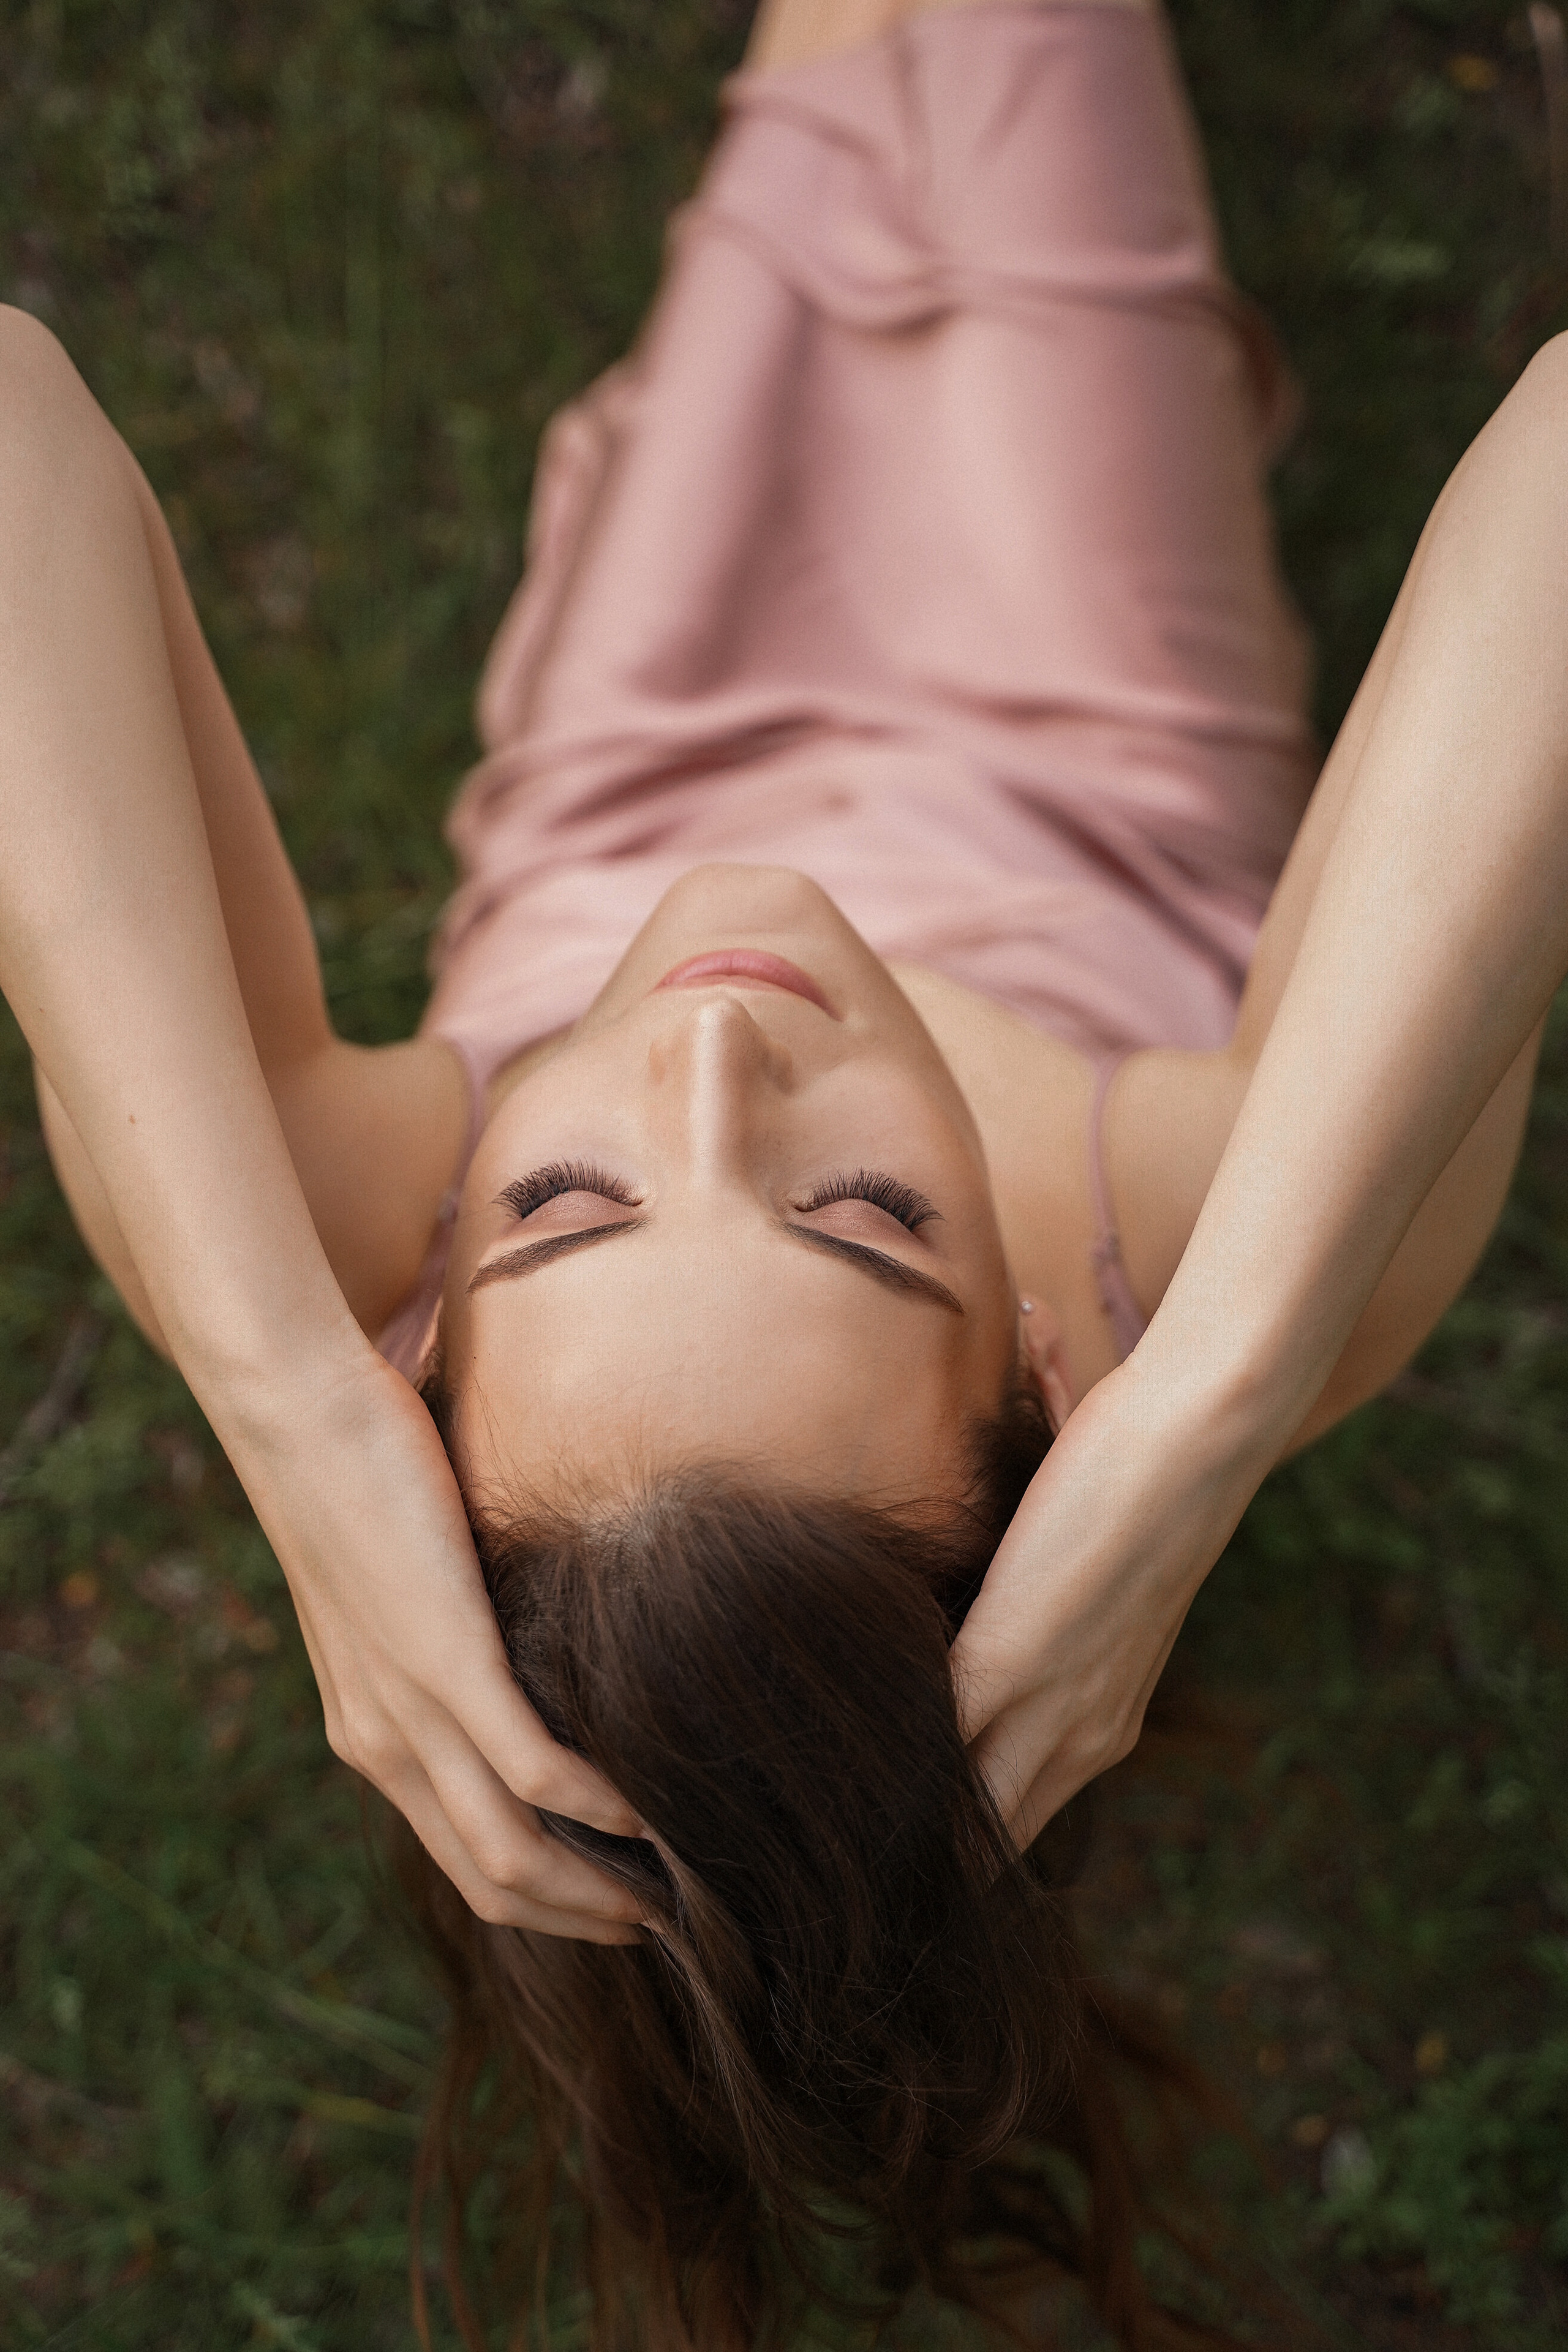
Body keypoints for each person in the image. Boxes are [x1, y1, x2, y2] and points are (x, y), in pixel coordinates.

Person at [2, 0, 1563, 2341]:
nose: (716, 1053)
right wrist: (1233, 1374)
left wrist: (288, 1402)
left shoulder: (326, 1280)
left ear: (426, 1321)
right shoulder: (1210, 1267)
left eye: (563, 1206)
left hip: (638, 736)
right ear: (1058, 1362)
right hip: (1082, 709)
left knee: (829, 82)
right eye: (868, 1221)